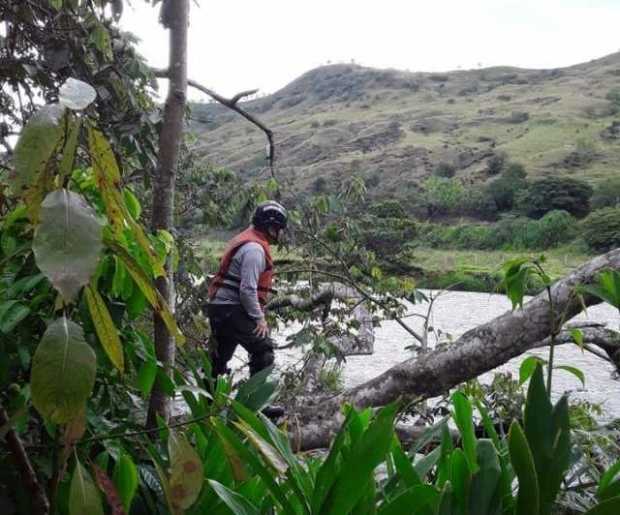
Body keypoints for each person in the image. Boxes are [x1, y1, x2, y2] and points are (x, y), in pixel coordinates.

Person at [205, 200, 287, 382]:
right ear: (271, 227)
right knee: (263, 349)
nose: (281, 233)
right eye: (280, 228)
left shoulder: (248, 242)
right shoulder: (255, 250)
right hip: (232, 308)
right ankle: (256, 404)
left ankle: (209, 405)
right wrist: (259, 319)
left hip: (220, 308)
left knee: (219, 359)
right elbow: (247, 289)